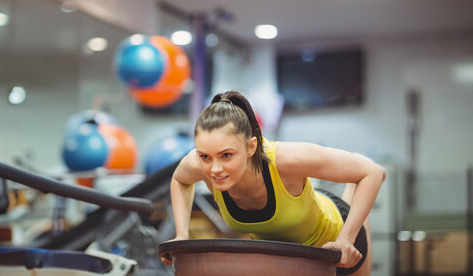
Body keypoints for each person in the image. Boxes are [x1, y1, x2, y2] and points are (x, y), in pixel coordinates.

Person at [161, 90, 386, 275]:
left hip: (336, 247)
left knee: (358, 180)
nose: (215, 169)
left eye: (227, 155)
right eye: (205, 157)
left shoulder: (287, 159)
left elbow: (373, 172)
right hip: (287, 260)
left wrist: (346, 239)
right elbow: (180, 180)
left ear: (251, 146)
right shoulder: (198, 164)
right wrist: (182, 234)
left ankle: (352, 191)